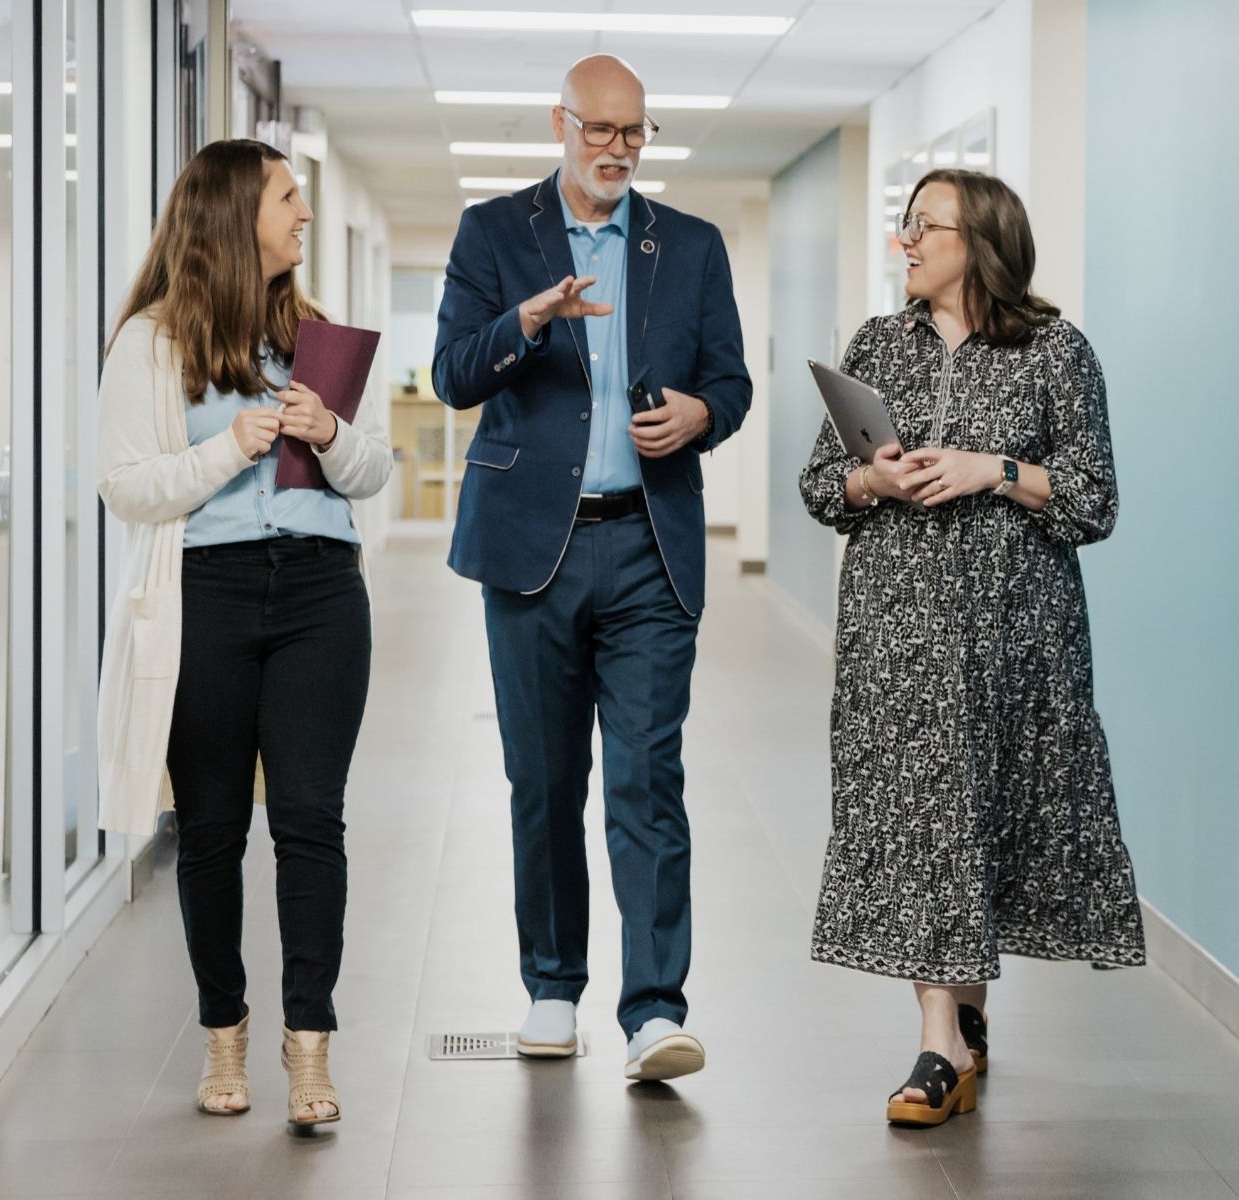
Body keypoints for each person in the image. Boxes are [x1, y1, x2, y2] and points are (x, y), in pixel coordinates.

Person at [799, 169, 1147, 1126]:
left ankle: (967, 1018)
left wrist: (990, 470)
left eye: (924, 226)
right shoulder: (876, 344)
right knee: (921, 820)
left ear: (981, 241)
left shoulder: (1056, 354)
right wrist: (873, 479)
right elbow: (819, 489)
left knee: (986, 815)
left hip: (1015, 640)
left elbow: (1093, 500)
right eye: (903, 226)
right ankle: (938, 1043)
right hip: (895, 636)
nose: (905, 242)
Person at [432, 54, 750, 1081]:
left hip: (648, 547)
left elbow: (732, 384)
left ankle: (655, 1011)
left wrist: (703, 415)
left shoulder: (689, 248)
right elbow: (450, 375)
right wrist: (528, 318)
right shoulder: (494, 234)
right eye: (599, 131)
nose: (616, 150)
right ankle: (551, 988)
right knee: (544, 779)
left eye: (633, 134)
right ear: (559, 123)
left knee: (647, 778)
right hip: (534, 551)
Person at [95, 138, 393, 1125]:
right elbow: (127, 488)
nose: (303, 214)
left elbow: (372, 472)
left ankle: (310, 1046)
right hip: (207, 598)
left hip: (318, 594)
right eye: (287, 198)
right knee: (214, 831)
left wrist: (329, 434)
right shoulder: (150, 343)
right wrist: (230, 446)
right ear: (234, 217)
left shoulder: (308, 331)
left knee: (311, 823)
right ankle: (223, 1031)